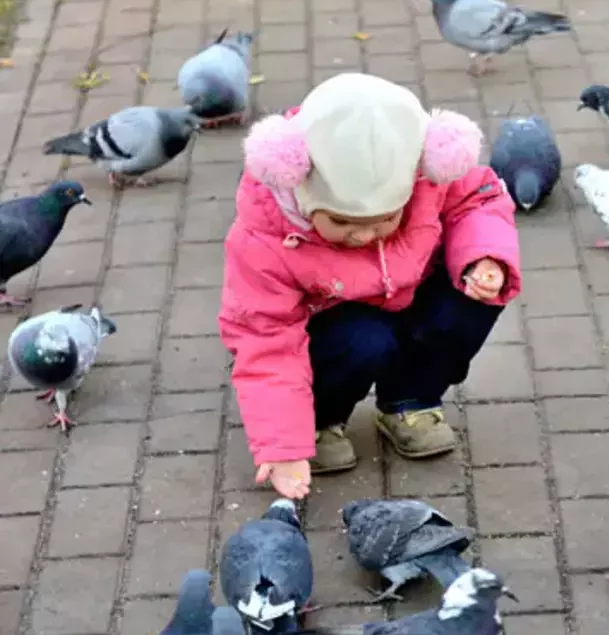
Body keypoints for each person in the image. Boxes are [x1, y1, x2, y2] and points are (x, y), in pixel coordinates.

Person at [218, 73, 522, 500]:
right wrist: (284, 446)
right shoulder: (266, 239)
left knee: (471, 299)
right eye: (341, 222)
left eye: (384, 219)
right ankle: (318, 420)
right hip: (329, 329)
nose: (364, 236)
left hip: (407, 292)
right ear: (300, 188)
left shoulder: (428, 173)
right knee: (364, 339)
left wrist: (484, 257)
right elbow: (265, 340)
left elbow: (479, 201)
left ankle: (410, 401)